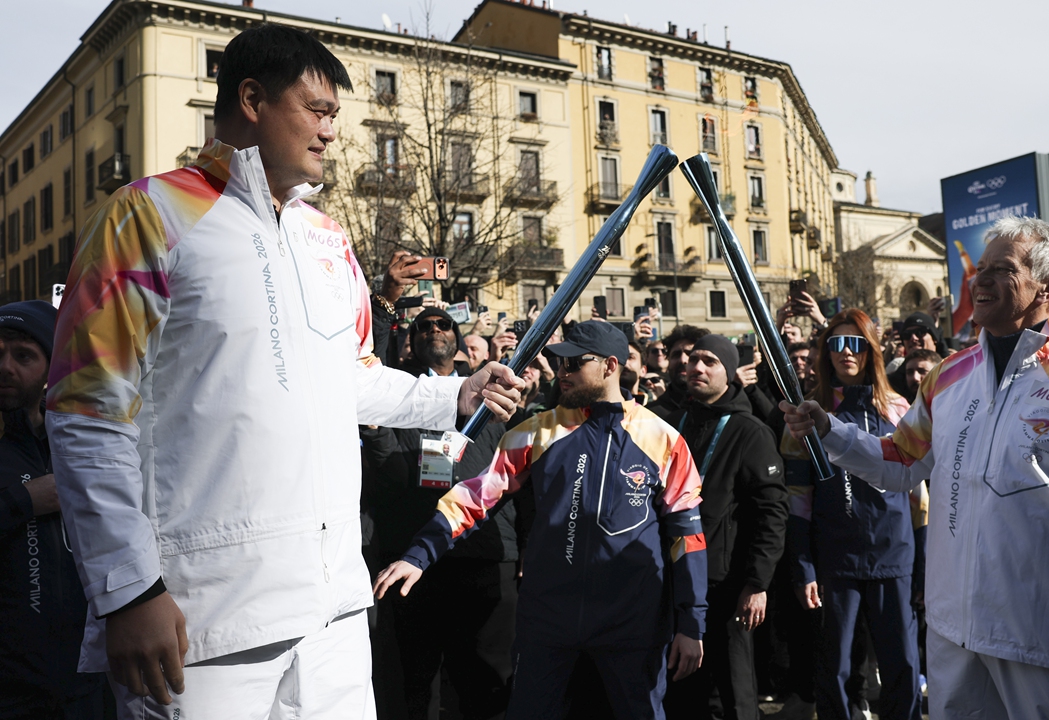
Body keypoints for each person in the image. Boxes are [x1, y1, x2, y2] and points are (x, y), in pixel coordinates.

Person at [44, 25, 522, 720]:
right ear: (251, 99)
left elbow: (353, 379)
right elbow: (88, 411)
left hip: (331, 615)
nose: (332, 132)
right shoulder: (145, 216)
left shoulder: (328, 238)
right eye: (318, 111)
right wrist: (128, 591)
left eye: (335, 116)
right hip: (200, 621)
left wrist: (456, 394)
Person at [779, 217, 1049, 719]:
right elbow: (901, 460)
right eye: (979, 268)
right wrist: (828, 430)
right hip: (954, 640)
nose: (977, 280)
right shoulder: (948, 375)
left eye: (1000, 270)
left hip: (1048, 648)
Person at [374, 321, 707, 720]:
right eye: (556, 361)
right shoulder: (535, 432)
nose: (560, 371)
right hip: (548, 621)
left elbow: (687, 536)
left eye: (573, 363)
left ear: (610, 365)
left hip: (631, 622)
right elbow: (476, 496)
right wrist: (418, 554)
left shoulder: (664, 439)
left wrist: (692, 623)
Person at [361, 306, 523, 720]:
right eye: (424, 326)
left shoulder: (493, 390)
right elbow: (386, 473)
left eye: (444, 324)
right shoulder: (402, 395)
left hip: (485, 555)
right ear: (410, 341)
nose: (435, 330)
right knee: (417, 685)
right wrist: (377, 437)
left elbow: (516, 472)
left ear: (457, 336)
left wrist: (525, 546)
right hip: (413, 560)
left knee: (485, 683)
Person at [782, 308, 922, 720]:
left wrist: (926, 562)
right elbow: (797, 499)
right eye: (837, 343)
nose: (846, 352)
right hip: (835, 559)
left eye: (856, 343)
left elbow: (920, 495)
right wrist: (803, 567)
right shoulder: (805, 414)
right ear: (825, 352)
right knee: (836, 668)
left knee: (902, 665)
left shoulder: (898, 409)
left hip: (894, 553)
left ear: (871, 351)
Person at [662, 334, 788, 720]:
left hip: (726, 585)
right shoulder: (671, 421)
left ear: (731, 373)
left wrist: (756, 583)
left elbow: (772, 514)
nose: (697, 367)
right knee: (683, 689)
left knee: (731, 692)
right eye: (693, 359)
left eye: (709, 362)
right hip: (674, 578)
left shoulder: (750, 431)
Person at [0, 301, 111, 719]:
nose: (6, 367)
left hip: (87, 687)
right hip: (13, 694)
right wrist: (26, 500)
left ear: (52, 368)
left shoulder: (83, 445)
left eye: (23, 355)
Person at [648, 325, 710, 418]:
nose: (682, 360)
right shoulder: (649, 415)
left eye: (690, 354)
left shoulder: (721, 412)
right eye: (676, 355)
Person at [886, 313, 949, 402]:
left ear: (935, 338)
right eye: (907, 335)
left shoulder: (955, 373)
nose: (913, 338)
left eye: (920, 332)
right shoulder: (893, 386)